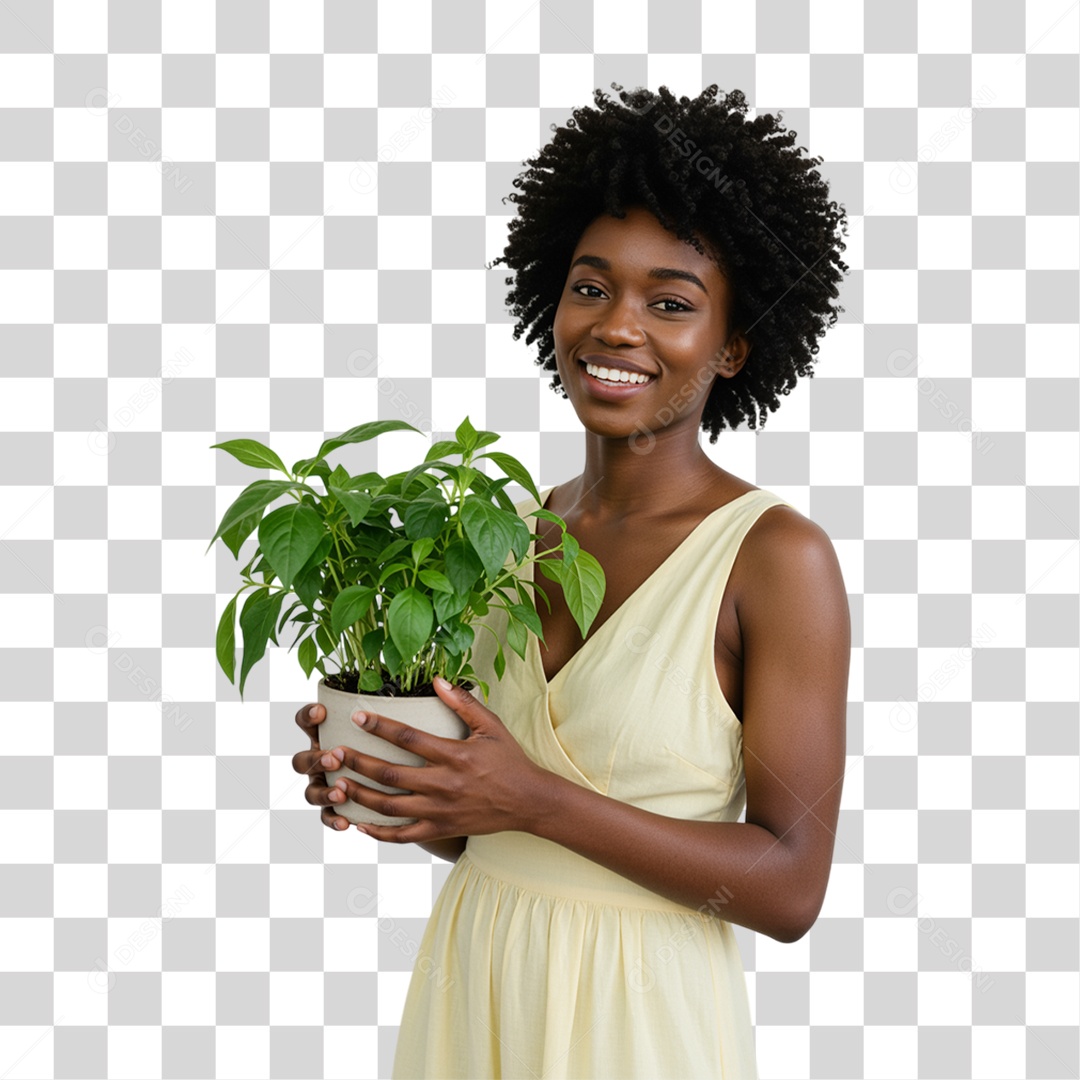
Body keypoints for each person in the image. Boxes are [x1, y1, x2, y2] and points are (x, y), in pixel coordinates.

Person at [293, 84, 851, 1078]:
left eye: (670, 303)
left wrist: (533, 798)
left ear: (732, 346)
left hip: (641, 1020)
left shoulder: (774, 559)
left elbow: (791, 887)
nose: (616, 326)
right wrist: (409, 789)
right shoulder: (493, 537)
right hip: (475, 983)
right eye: (592, 287)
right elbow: (490, 834)